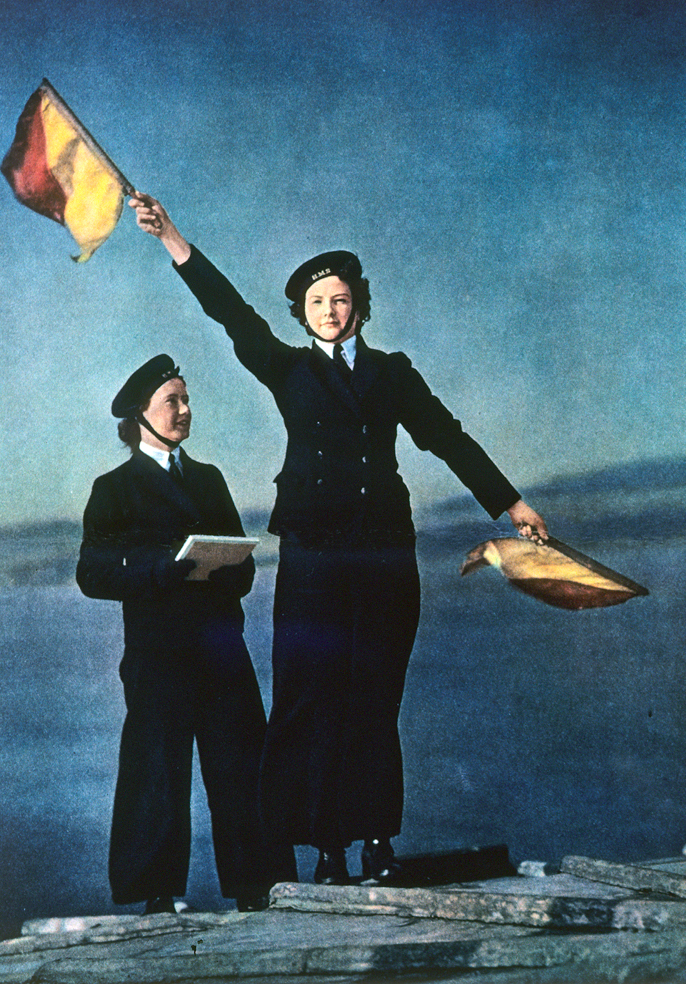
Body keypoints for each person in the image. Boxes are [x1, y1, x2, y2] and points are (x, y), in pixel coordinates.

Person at [128, 193, 549, 887]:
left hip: (384, 554)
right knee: (312, 697)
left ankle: (377, 841)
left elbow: (446, 437)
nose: (330, 310)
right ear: (303, 314)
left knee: (375, 695)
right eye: (317, 302)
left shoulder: (393, 373)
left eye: (341, 298)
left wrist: (510, 503)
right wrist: (172, 236)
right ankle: (326, 849)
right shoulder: (288, 368)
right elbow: (230, 312)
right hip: (314, 557)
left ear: (359, 306)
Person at [76, 354, 295, 914]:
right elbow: (92, 574)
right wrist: (159, 571)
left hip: (221, 647)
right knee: (156, 770)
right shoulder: (114, 488)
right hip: (158, 653)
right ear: (139, 416)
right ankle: (157, 896)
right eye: (171, 400)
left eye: (186, 399)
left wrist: (229, 569)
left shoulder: (208, 479)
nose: (184, 410)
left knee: (243, 764)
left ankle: (260, 887)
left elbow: (243, 563)